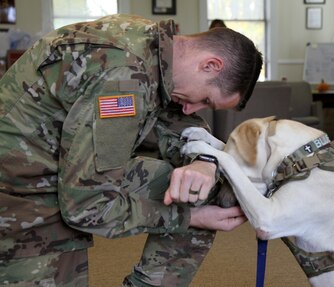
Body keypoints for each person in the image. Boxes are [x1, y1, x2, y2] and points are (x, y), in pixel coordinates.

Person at [0, 14, 262, 286]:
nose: (191, 109)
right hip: (21, 195)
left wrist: (204, 160)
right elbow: (86, 206)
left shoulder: (150, 44)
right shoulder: (124, 79)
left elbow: (176, 119)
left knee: (199, 187)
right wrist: (190, 217)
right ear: (210, 65)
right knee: (191, 205)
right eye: (206, 100)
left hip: (54, 171)